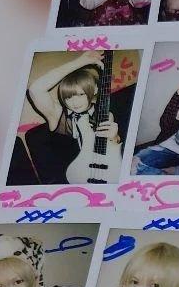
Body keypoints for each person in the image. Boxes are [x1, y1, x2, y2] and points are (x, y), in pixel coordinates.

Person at [19, 49, 124, 185]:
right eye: (68, 97)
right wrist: (81, 61)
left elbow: (111, 152)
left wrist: (114, 138)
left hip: (103, 174)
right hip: (72, 180)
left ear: (95, 89)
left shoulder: (104, 113)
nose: (74, 102)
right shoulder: (58, 115)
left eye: (80, 94)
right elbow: (35, 89)